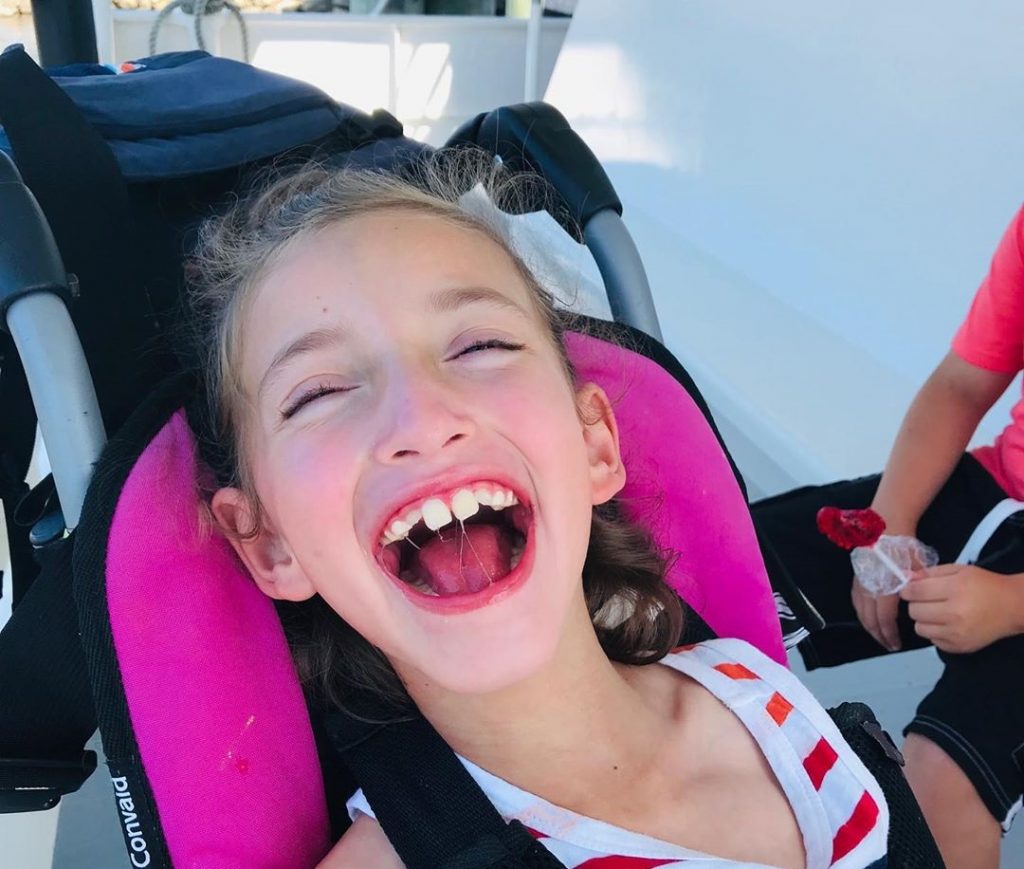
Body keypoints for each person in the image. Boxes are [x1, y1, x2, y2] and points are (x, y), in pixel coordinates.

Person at [187, 152, 889, 868]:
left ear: (594, 445)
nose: (422, 420)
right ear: (271, 543)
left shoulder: (760, 698)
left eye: (479, 345)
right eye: (319, 393)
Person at [754, 204, 1024, 869]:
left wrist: (1009, 604)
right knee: (736, 558)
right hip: (998, 492)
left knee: (940, 791)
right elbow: (961, 384)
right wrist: (888, 525)